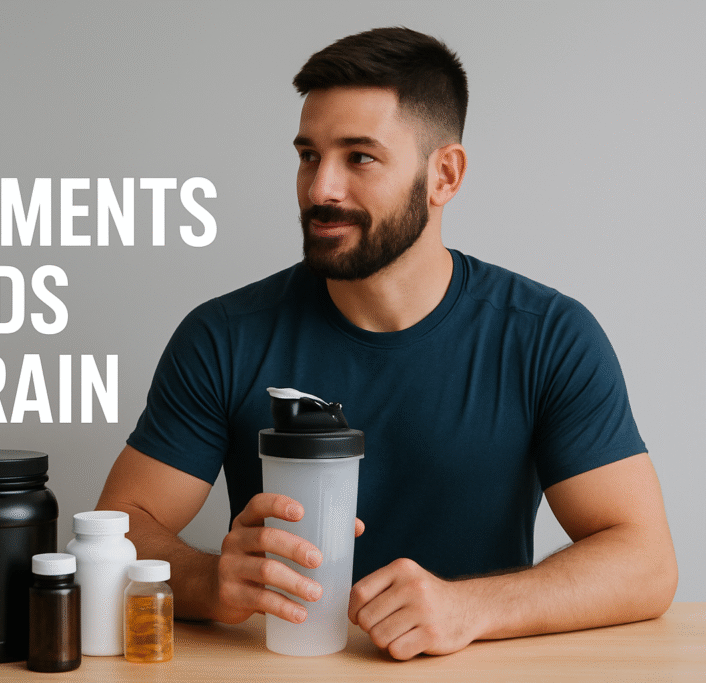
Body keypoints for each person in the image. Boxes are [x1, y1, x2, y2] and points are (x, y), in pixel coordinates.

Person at [96, 27, 677, 661]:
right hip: (283, 670)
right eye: (309, 155)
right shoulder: (224, 336)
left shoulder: (547, 337)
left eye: (359, 157)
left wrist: (470, 608)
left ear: (444, 175)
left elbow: (646, 564)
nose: (321, 189)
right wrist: (211, 582)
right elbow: (119, 529)